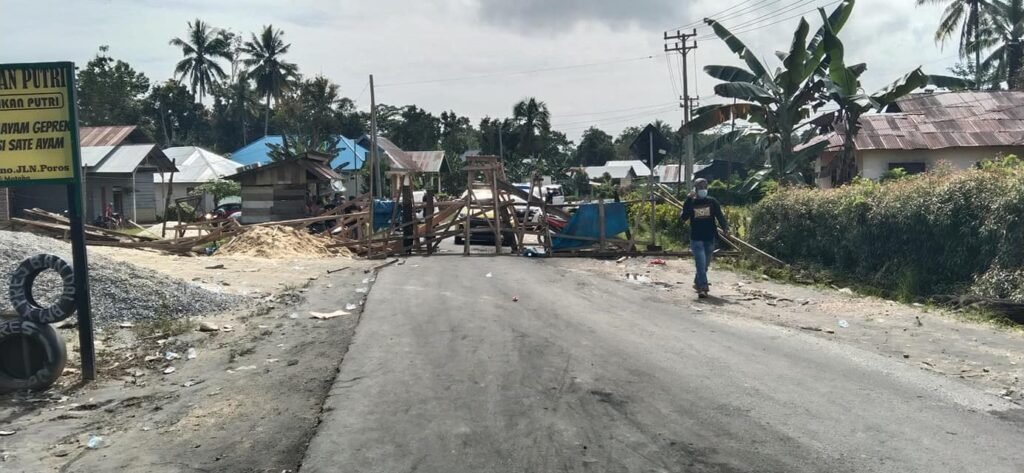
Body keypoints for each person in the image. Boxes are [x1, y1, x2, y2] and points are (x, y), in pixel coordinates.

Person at [679, 178, 729, 298]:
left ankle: (697, 282)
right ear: (695, 189)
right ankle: (703, 288)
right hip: (696, 239)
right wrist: (688, 200)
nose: (703, 189)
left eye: (705, 187)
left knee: (705, 265)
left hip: (710, 237)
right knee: (700, 264)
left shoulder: (712, 202)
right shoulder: (691, 203)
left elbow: (720, 216)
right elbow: (683, 217)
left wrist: (726, 228)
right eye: (700, 187)